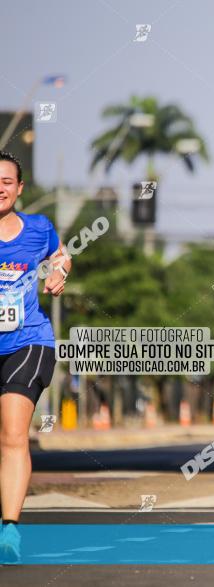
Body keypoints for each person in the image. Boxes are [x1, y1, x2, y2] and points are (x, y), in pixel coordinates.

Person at [0, 151, 70, 563]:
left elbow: (62, 255)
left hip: (27, 342)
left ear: (19, 188)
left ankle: (9, 529)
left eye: (6, 181)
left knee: (11, 433)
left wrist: (60, 270)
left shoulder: (38, 229)